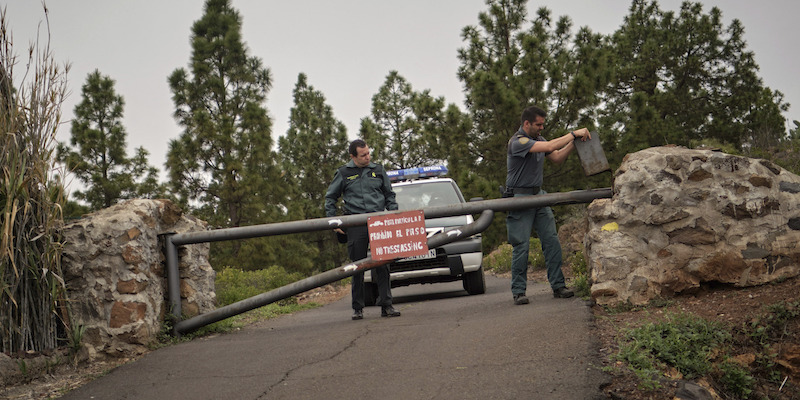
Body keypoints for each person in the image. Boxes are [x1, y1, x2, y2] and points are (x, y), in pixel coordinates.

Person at [505, 105, 591, 305]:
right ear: (527, 123)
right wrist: (573, 134)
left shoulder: (540, 140)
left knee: (552, 241)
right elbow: (551, 147)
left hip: (539, 196)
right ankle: (519, 291)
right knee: (521, 246)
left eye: (543, 124)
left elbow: (557, 156)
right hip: (520, 198)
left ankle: (558, 286)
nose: (541, 128)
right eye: (538, 124)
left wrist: (574, 143)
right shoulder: (518, 142)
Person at [325, 139, 402, 320]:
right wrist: (334, 223)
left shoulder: (378, 170)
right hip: (356, 224)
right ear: (353, 156)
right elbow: (330, 198)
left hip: (379, 222)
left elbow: (389, 195)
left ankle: (387, 305)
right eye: (363, 155)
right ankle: (358, 308)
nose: (367, 157)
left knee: (383, 265)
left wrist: (394, 215)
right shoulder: (343, 173)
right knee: (357, 266)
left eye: (368, 153)